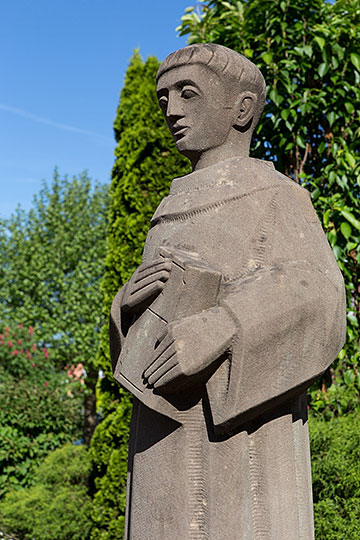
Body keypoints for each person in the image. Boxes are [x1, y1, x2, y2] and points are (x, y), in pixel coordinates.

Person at [110, 43, 346, 540]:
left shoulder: (277, 196)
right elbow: (135, 340)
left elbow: (321, 298)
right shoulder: (170, 206)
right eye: (164, 99)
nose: (171, 110)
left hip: (243, 442)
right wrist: (127, 305)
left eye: (188, 93)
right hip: (158, 438)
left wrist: (225, 326)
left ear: (241, 109)